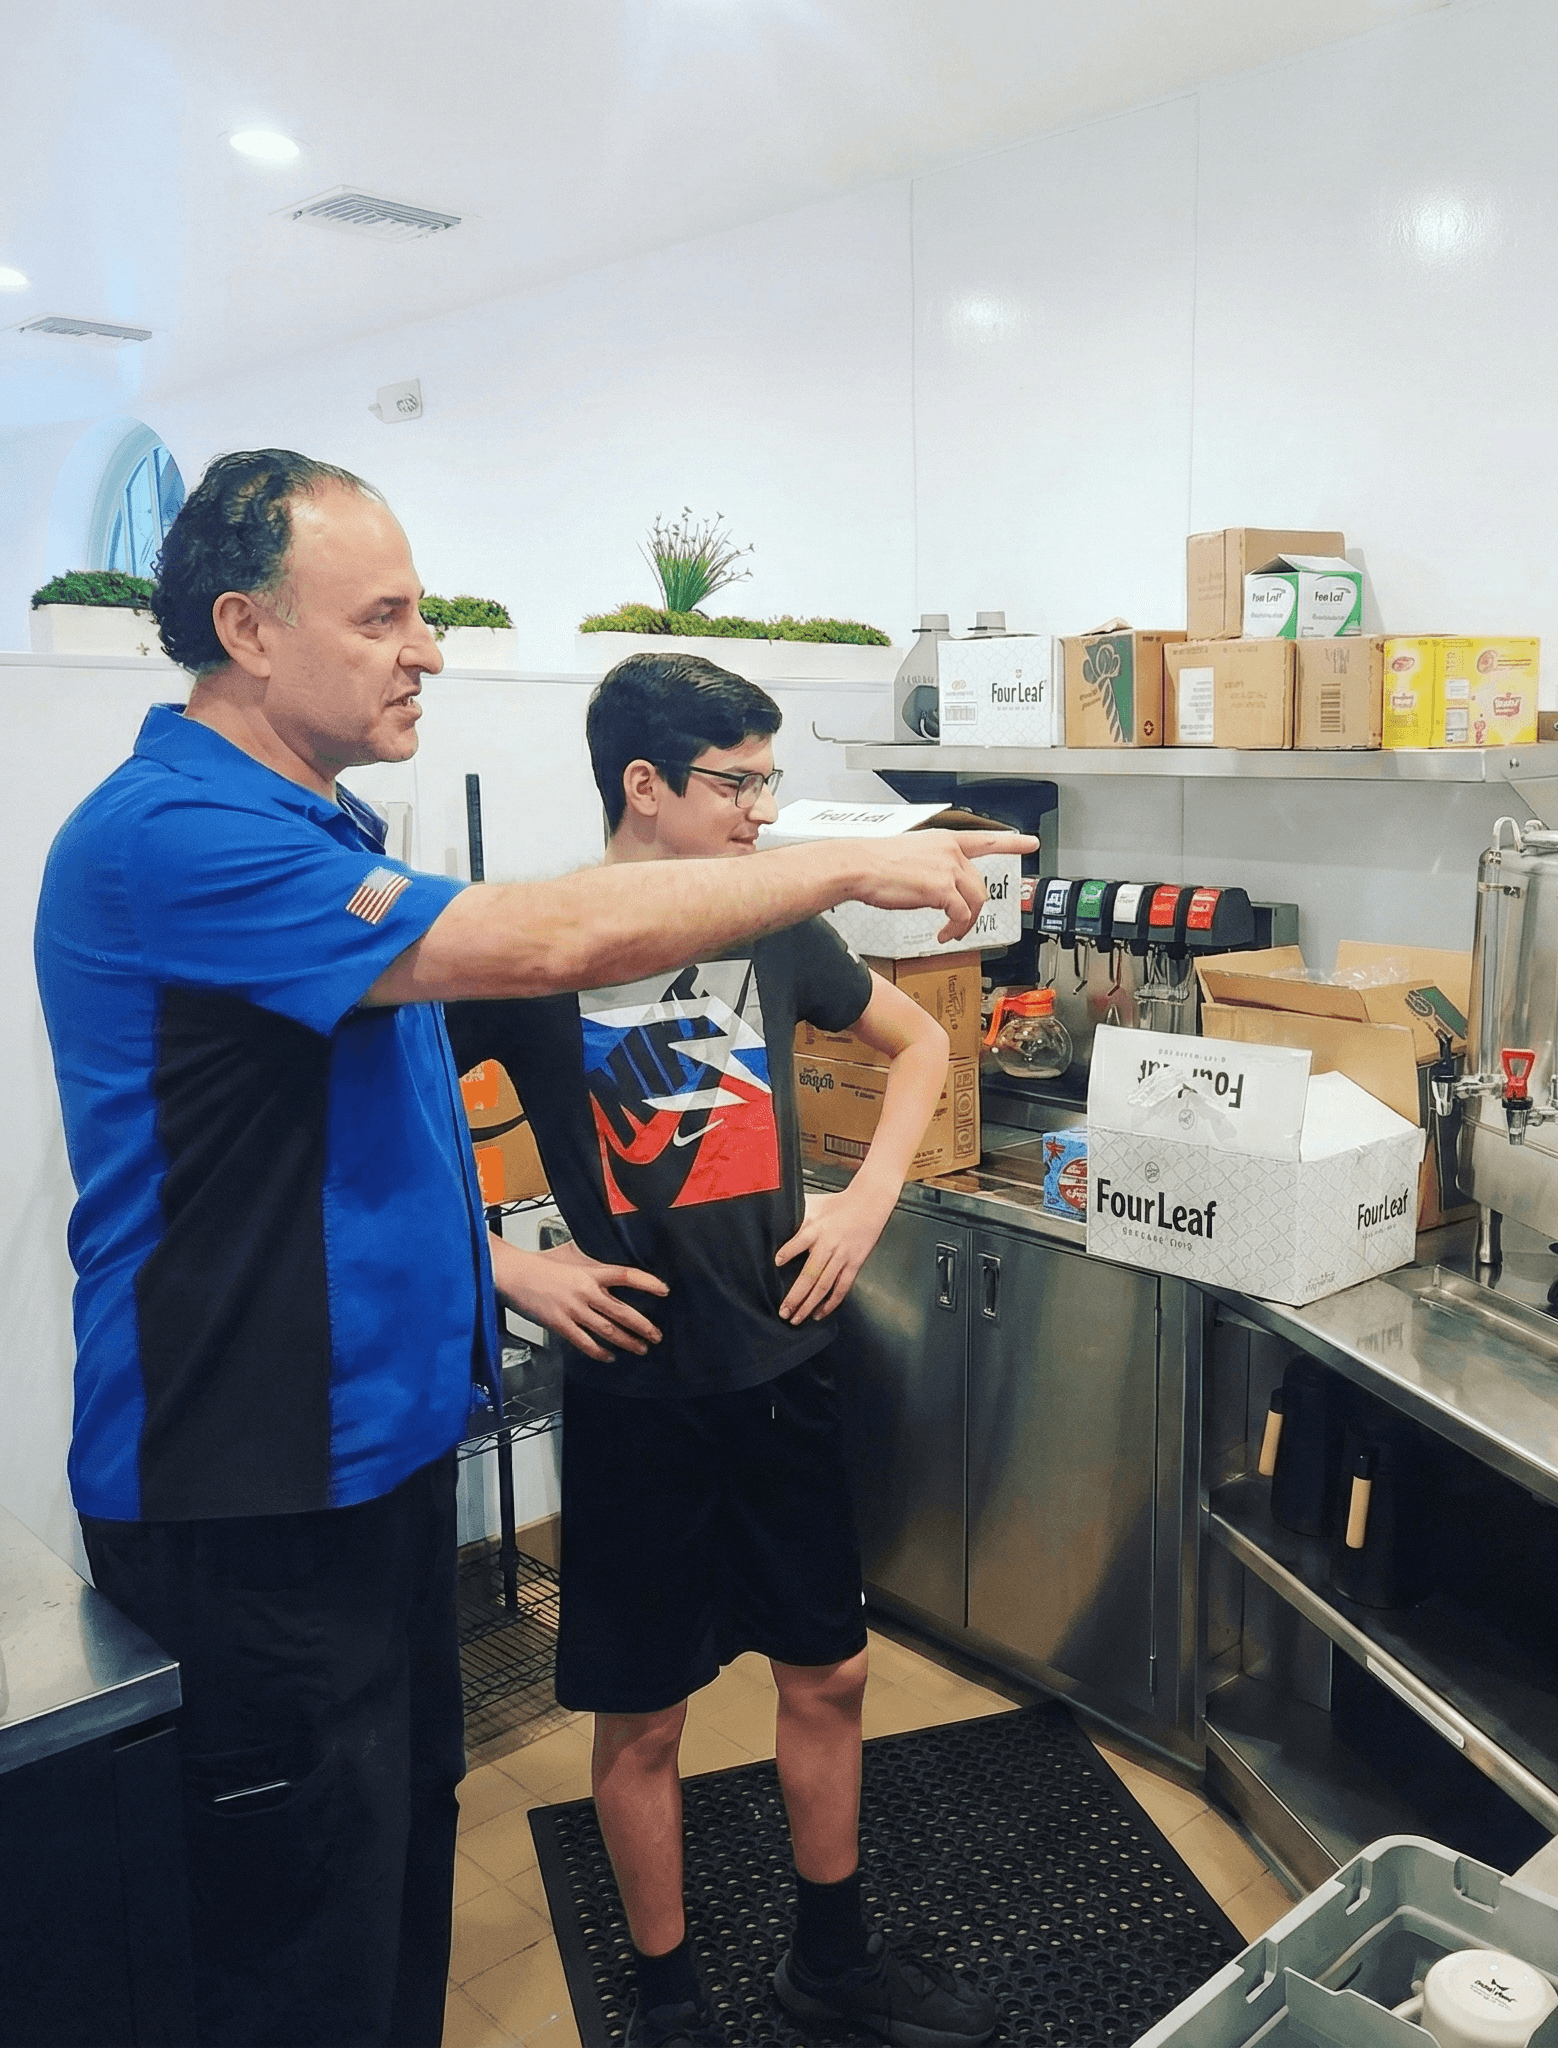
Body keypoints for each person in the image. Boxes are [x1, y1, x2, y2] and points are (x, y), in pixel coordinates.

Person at [32, 448, 1029, 2048]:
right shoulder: (184, 838)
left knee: (380, 1898)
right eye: (388, 615)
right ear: (248, 627)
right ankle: (666, 1995)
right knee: (304, 1954)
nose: (431, 646)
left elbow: (399, 1128)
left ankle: (825, 1963)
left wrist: (496, 1264)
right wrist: (844, 856)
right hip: (258, 1491)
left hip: (377, 1473)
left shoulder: (314, 816)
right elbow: (554, 939)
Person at [444, 653, 997, 2048]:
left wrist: (865, 1203)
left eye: (768, 779)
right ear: (645, 784)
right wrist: (509, 1266)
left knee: (831, 1672)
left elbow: (920, 1043)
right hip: (637, 1390)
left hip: (787, 1366)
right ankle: (671, 1998)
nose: (763, 810)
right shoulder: (536, 951)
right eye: (737, 781)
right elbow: (383, 1138)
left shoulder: (773, 933)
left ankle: (830, 1958)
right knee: (644, 1720)